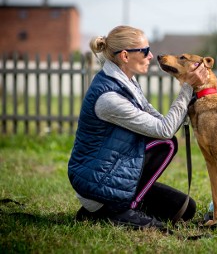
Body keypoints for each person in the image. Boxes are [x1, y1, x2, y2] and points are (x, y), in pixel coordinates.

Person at [68, 25, 208, 230]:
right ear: (125, 56)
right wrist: (188, 86)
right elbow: (164, 130)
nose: (151, 55)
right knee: (166, 142)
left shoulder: (127, 83)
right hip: (97, 183)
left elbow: (160, 121)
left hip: (112, 173)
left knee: (185, 209)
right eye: (144, 51)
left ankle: (104, 210)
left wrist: (191, 94)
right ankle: (111, 210)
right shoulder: (109, 98)